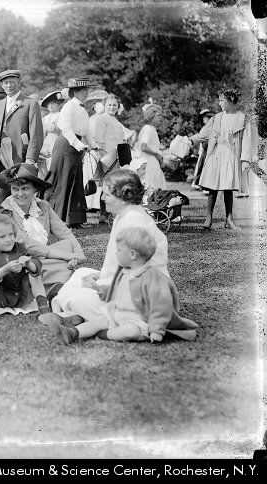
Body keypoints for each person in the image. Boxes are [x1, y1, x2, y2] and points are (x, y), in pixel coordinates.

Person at [47, 169, 169, 327]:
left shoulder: (133, 222)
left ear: (123, 197)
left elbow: (135, 274)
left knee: (71, 294)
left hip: (140, 292)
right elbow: (118, 265)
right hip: (123, 278)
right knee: (80, 273)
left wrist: (100, 285)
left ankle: (81, 315)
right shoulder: (124, 215)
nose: (102, 198)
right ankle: (78, 315)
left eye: (106, 194)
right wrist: (99, 276)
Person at [50, 226, 197, 344]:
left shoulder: (152, 277)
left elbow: (161, 306)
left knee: (131, 331)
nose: (116, 254)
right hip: (118, 313)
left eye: (119, 251)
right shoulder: (125, 271)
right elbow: (117, 290)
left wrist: (157, 330)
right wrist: (99, 289)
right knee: (99, 320)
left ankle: (106, 334)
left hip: (139, 319)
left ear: (132, 254)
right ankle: (72, 333)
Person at [0, 163, 85, 302]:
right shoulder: (5, 211)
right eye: (15, 189)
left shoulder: (43, 206)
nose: (20, 194)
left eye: (25, 188)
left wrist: (77, 255)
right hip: (20, 261)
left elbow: (64, 232)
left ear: (35, 190)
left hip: (44, 257)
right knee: (57, 264)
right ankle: (56, 286)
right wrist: (66, 256)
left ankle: (56, 284)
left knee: (67, 244)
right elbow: (25, 243)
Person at [190, 87, 258, 229]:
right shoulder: (217, 118)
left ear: (231, 100)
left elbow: (247, 141)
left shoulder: (243, 119)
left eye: (222, 100)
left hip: (231, 155)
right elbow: (204, 134)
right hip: (216, 155)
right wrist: (189, 140)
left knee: (228, 188)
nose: (219, 103)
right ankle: (208, 218)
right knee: (212, 187)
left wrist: (245, 160)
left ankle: (229, 219)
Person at [0, 213, 52, 325]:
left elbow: (37, 263)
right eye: (2, 237)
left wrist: (29, 263)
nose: (8, 239)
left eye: (11, 234)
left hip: (22, 295)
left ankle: (43, 307)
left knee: (34, 274)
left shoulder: (20, 248)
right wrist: (5, 269)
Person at [45, 77, 98, 228]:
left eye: (87, 90)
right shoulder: (69, 107)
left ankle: (74, 219)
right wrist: (79, 144)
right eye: (82, 90)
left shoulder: (82, 108)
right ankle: (56, 218)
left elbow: (86, 131)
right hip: (66, 145)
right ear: (74, 92)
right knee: (63, 179)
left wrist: (93, 145)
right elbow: (66, 128)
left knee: (76, 179)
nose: (86, 93)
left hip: (77, 146)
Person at [0, 70, 44, 202]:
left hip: (20, 155)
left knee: (21, 191)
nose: (9, 85)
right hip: (1, 155)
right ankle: (5, 214)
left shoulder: (30, 103)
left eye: (12, 82)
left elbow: (36, 133)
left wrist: (30, 158)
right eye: (6, 83)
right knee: (4, 191)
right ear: (2, 85)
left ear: (18, 82)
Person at [92, 93, 137, 223]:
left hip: (116, 156)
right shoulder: (102, 119)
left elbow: (120, 138)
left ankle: (110, 213)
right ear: (104, 106)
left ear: (118, 107)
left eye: (114, 105)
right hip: (107, 157)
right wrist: (104, 157)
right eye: (109, 105)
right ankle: (104, 215)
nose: (112, 107)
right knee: (108, 186)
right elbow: (98, 139)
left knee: (114, 185)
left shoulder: (115, 120)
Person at [82, 89, 108, 216]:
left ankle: (99, 204)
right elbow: (86, 134)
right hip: (92, 150)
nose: (100, 106)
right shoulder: (91, 119)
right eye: (97, 104)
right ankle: (89, 203)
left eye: (102, 103)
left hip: (104, 149)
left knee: (102, 175)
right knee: (90, 174)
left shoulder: (106, 119)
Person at [133, 98, 166, 191]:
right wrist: (157, 154)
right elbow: (143, 147)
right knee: (152, 185)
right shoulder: (148, 129)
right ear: (151, 116)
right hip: (149, 162)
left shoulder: (151, 128)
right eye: (158, 115)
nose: (160, 117)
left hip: (151, 161)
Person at [38, 90, 64, 179]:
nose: (51, 106)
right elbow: (42, 132)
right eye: (49, 104)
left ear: (58, 104)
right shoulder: (45, 118)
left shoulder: (60, 115)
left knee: (55, 161)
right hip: (47, 141)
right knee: (45, 162)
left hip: (57, 139)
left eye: (53, 103)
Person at [190, 108, 216, 191]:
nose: (203, 119)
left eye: (205, 117)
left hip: (207, 151)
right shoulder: (205, 128)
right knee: (200, 167)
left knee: (203, 168)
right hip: (203, 151)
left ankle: (200, 184)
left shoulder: (210, 128)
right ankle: (197, 183)